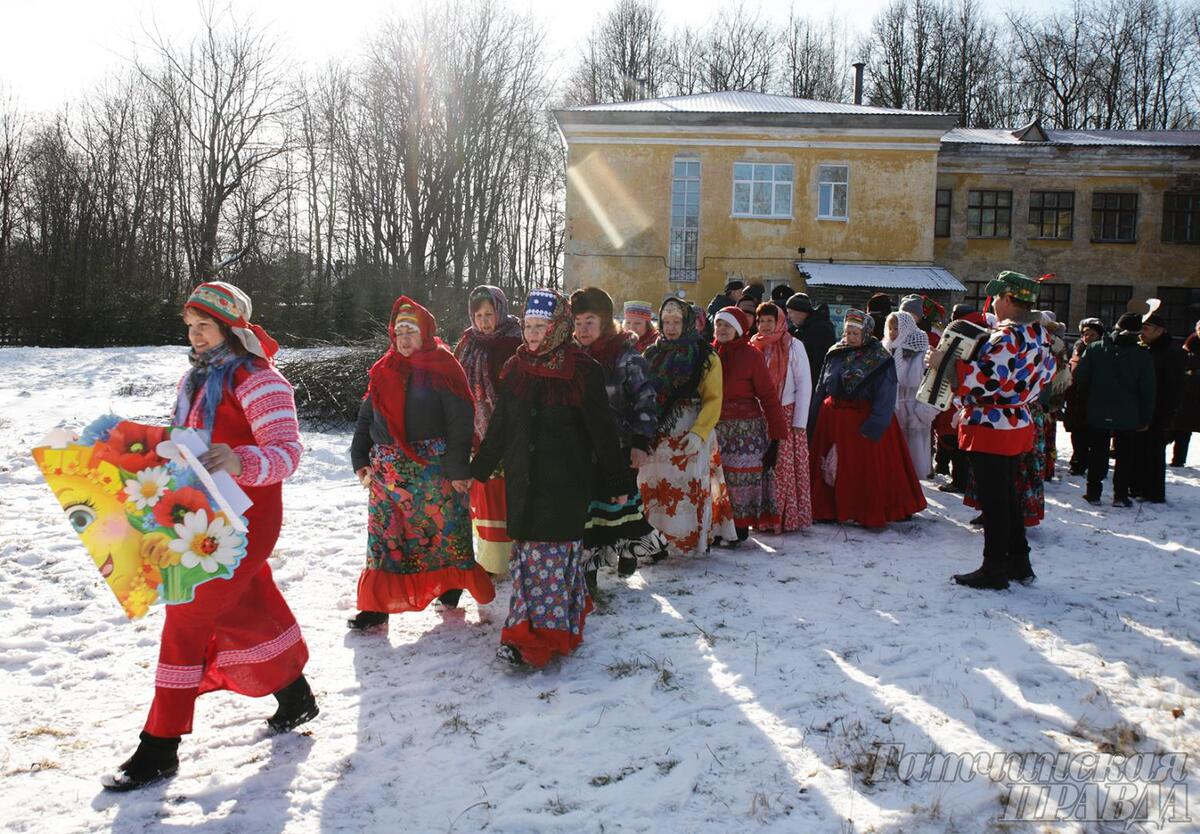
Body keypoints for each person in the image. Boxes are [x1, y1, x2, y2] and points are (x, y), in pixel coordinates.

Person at [103, 281, 315, 791]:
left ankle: (160, 745)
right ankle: (294, 693)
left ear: (230, 328)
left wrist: (239, 458)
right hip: (202, 515)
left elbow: (288, 454)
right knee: (246, 604)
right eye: (191, 327)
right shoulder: (194, 378)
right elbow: (190, 437)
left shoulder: (262, 381)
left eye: (205, 326)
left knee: (187, 610)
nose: (195, 336)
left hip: (245, 523)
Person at [471, 288, 627, 667]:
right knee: (528, 563)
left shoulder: (582, 371)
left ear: (558, 327)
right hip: (524, 484)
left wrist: (619, 482)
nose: (532, 334)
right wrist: (476, 470)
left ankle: (534, 639)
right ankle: (533, 628)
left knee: (551, 563)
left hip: (563, 487)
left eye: (541, 326)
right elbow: (501, 426)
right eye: (527, 326)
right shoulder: (516, 367)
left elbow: (603, 431)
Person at [348, 296, 494, 630]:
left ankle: (450, 587)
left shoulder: (442, 366)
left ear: (425, 333)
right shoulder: (382, 370)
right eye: (399, 331)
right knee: (384, 539)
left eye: (411, 331)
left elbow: (461, 420)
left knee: (443, 534)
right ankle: (375, 607)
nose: (404, 338)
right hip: (387, 474)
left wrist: (459, 468)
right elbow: (365, 419)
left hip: (434, 472)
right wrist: (359, 458)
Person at [950, 272, 1056, 590]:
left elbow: (986, 381)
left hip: (992, 424)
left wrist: (947, 364)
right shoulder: (1040, 334)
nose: (994, 304)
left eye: (997, 298)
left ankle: (994, 567)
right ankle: (1019, 562)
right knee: (1008, 497)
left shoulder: (1006, 337)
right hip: (1017, 421)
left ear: (1009, 299)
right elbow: (1045, 374)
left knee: (995, 502)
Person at [570, 288, 667, 584]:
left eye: (589, 321)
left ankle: (631, 550)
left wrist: (640, 442)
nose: (582, 329)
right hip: (584, 450)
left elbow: (646, 400)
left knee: (622, 508)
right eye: (577, 323)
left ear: (604, 321)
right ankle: (590, 569)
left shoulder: (625, 356)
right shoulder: (572, 356)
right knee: (591, 512)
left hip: (620, 446)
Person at [809, 309, 927, 529]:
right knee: (832, 466)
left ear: (866, 333)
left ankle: (866, 509)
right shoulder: (835, 352)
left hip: (863, 420)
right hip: (833, 420)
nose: (850, 337)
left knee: (866, 469)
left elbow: (886, 392)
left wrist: (876, 423)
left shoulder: (880, 358)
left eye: (855, 333)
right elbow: (821, 386)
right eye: (848, 332)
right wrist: (813, 416)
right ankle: (829, 509)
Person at [639, 298, 738, 555]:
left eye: (677, 322)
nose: (671, 328)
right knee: (656, 487)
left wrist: (699, 432)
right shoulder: (651, 353)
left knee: (688, 488)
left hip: (690, 432)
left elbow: (713, 399)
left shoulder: (705, 356)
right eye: (666, 322)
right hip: (657, 435)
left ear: (688, 323)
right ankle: (654, 544)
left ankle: (691, 542)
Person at [453, 285, 523, 576]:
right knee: (485, 499)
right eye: (478, 315)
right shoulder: (467, 343)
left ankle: (509, 560)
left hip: (509, 434)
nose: (484, 321)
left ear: (501, 311)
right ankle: (491, 562)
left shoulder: (514, 343)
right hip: (476, 435)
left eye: (489, 314)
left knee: (505, 498)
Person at [712, 306, 788, 542]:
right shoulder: (710, 354)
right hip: (716, 426)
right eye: (718, 324)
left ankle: (740, 528)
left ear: (738, 329)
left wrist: (776, 438)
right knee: (717, 479)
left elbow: (768, 396)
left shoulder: (751, 355)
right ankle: (716, 527)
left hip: (745, 430)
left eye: (727, 325)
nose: (721, 329)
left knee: (739, 481)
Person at [1072, 312, 1155, 506]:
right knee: (1125, 455)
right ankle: (1120, 495)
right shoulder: (1142, 355)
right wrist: (1145, 418)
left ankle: (1093, 493)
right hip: (1128, 413)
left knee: (1097, 451)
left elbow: (1080, 378)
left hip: (1097, 410)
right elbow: (1148, 390)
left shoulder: (1094, 349)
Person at [750, 302, 813, 531]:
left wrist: (799, 422)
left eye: (770, 320)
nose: (765, 325)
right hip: (758, 416)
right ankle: (760, 517)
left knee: (781, 469)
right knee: (759, 468)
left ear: (780, 322)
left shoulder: (794, 346)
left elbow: (804, 384)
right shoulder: (754, 346)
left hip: (785, 414)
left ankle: (784, 518)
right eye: (761, 321)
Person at [1133, 311, 1187, 502]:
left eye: (1146, 329)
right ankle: (1139, 487)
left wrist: (1165, 415)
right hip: (1143, 410)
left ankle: (1153, 492)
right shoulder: (1146, 349)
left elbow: (1173, 388)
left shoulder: (1172, 353)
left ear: (1160, 331)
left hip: (1159, 412)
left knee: (1154, 453)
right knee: (1140, 451)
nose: (1141, 333)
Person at [882, 310, 939, 478]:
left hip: (914, 413)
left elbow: (933, 384)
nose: (892, 333)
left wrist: (924, 412)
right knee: (892, 466)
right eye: (890, 328)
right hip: (891, 413)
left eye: (897, 329)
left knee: (912, 467)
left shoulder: (921, 353)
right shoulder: (885, 350)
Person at [1064, 317, 1106, 476]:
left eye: (1092, 334)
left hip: (1095, 399)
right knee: (1077, 433)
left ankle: (1096, 466)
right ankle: (1078, 463)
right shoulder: (1077, 350)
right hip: (1076, 399)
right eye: (1085, 334)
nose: (1087, 337)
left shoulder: (1104, 351)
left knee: (1095, 436)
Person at [786, 292, 836, 395]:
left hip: (814, 388)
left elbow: (818, 363)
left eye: (791, 312)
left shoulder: (819, 329)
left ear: (801, 312)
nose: (789, 317)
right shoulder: (801, 330)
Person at [1169, 319, 1200, 467]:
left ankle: (1179, 459)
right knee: (1180, 428)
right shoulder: (1189, 344)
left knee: (1184, 428)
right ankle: (1178, 459)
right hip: (1186, 393)